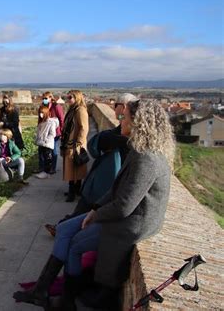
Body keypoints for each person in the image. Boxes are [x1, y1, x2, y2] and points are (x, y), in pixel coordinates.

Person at [13, 100, 175, 310]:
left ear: (138, 123)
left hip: (130, 223)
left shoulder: (147, 160)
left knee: (75, 245)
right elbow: (117, 190)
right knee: (64, 229)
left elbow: (125, 205)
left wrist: (95, 215)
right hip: (122, 215)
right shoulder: (138, 150)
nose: (120, 120)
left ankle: (66, 301)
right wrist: (96, 208)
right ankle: (42, 290)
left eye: (124, 117)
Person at [44, 93, 138, 236]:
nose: (114, 108)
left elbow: (86, 133)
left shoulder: (126, 136)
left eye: (116, 105)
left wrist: (80, 144)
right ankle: (62, 227)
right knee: (83, 209)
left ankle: (63, 230)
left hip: (106, 183)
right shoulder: (118, 132)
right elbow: (96, 145)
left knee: (86, 211)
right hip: (101, 181)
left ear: (124, 107)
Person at [61, 90, 89, 202]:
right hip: (70, 143)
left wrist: (79, 143)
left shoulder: (80, 110)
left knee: (74, 168)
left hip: (75, 144)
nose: (68, 99)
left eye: (70, 97)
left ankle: (72, 192)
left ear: (77, 98)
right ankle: (76, 190)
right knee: (73, 167)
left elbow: (84, 128)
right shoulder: (73, 109)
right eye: (67, 97)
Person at [37, 91, 64, 174]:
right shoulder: (43, 106)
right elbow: (40, 119)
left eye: (46, 98)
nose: (44, 100)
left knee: (53, 150)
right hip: (44, 131)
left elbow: (61, 119)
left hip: (54, 132)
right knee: (41, 150)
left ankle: (53, 168)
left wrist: (62, 131)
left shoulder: (56, 106)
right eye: (43, 98)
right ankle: (42, 167)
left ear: (50, 98)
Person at [35, 106, 59, 179]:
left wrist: (46, 140)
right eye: (39, 112)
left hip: (47, 144)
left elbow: (53, 134)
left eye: (42, 112)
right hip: (41, 143)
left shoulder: (50, 122)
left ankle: (46, 173)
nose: (40, 114)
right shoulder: (41, 122)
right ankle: (43, 171)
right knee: (42, 157)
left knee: (47, 159)